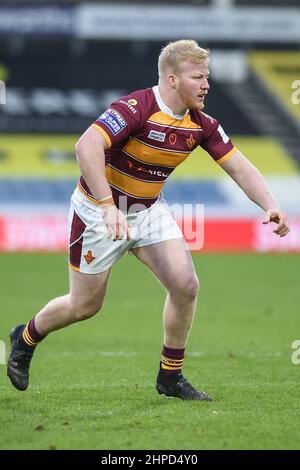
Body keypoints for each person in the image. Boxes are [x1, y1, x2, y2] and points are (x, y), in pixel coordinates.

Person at [7, 39, 289, 401]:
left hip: (148, 210)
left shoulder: (202, 124)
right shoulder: (135, 107)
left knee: (185, 284)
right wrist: (108, 207)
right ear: (172, 79)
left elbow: (238, 165)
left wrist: (270, 203)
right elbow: (86, 146)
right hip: (98, 210)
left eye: (207, 77)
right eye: (198, 77)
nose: (207, 84)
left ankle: (170, 377)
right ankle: (26, 336)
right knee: (84, 306)